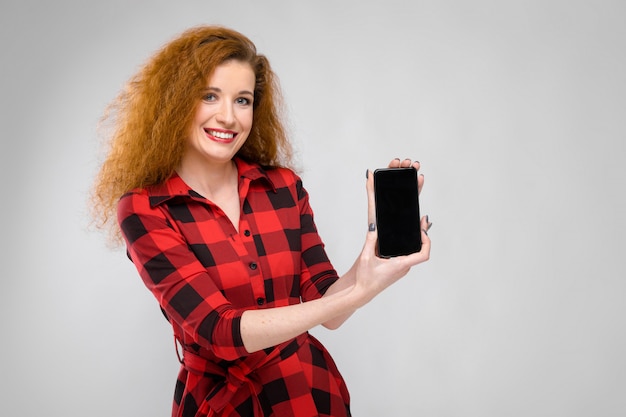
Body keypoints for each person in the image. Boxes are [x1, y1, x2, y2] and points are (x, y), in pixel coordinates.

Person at [91, 25, 431, 417]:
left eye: (242, 100)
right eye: (209, 96)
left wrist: (372, 260)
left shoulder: (282, 187)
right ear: (176, 102)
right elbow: (219, 330)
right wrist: (359, 293)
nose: (228, 117)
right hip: (222, 406)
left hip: (308, 396)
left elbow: (329, 309)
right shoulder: (145, 208)